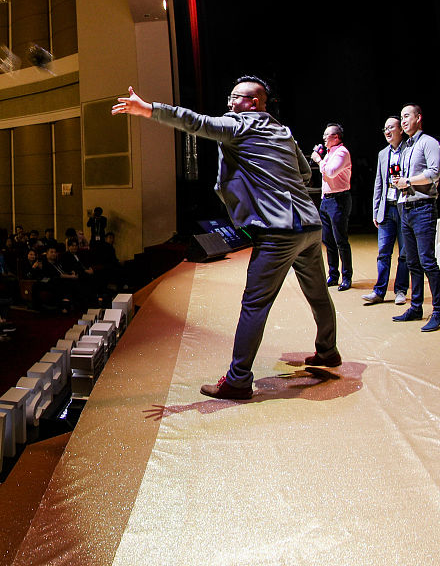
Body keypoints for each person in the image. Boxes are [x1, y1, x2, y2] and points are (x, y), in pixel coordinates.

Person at [113, 79, 338, 400]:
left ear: (255, 103)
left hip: (279, 231)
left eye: (236, 98)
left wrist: (149, 109)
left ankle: (238, 380)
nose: (230, 103)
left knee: (255, 304)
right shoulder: (284, 132)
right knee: (317, 293)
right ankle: (328, 351)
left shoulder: (239, 126)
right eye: (230, 97)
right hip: (310, 226)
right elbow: (305, 174)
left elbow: (195, 122)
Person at [391, 104, 440, 331]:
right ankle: (416, 307)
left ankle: (439, 311)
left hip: (423, 208)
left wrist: (408, 181)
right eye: (401, 117)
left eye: (407, 116)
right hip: (406, 208)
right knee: (412, 262)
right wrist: (399, 182)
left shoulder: (429, 143)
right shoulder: (406, 147)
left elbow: (434, 173)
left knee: (427, 261)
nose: (403, 121)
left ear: (418, 118)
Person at [362, 116, 410, 306]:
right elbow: (378, 183)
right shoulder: (383, 154)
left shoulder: (409, 150)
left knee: (404, 253)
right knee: (383, 253)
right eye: (385, 129)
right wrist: (375, 210)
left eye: (391, 127)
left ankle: (401, 290)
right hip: (386, 208)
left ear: (400, 130)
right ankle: (379, 291)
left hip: (404, 207)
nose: (387, 132)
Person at [311, 123, 352, 291]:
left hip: (339, 199)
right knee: (328, 240)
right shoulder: (329, 153)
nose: (324, 138)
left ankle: (347, 277)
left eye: (326, 135)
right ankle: (333, 275)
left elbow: (331, 172)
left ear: (336, 137)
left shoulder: (342, 152)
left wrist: (318, 160)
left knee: (340, 240)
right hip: (326, 200)